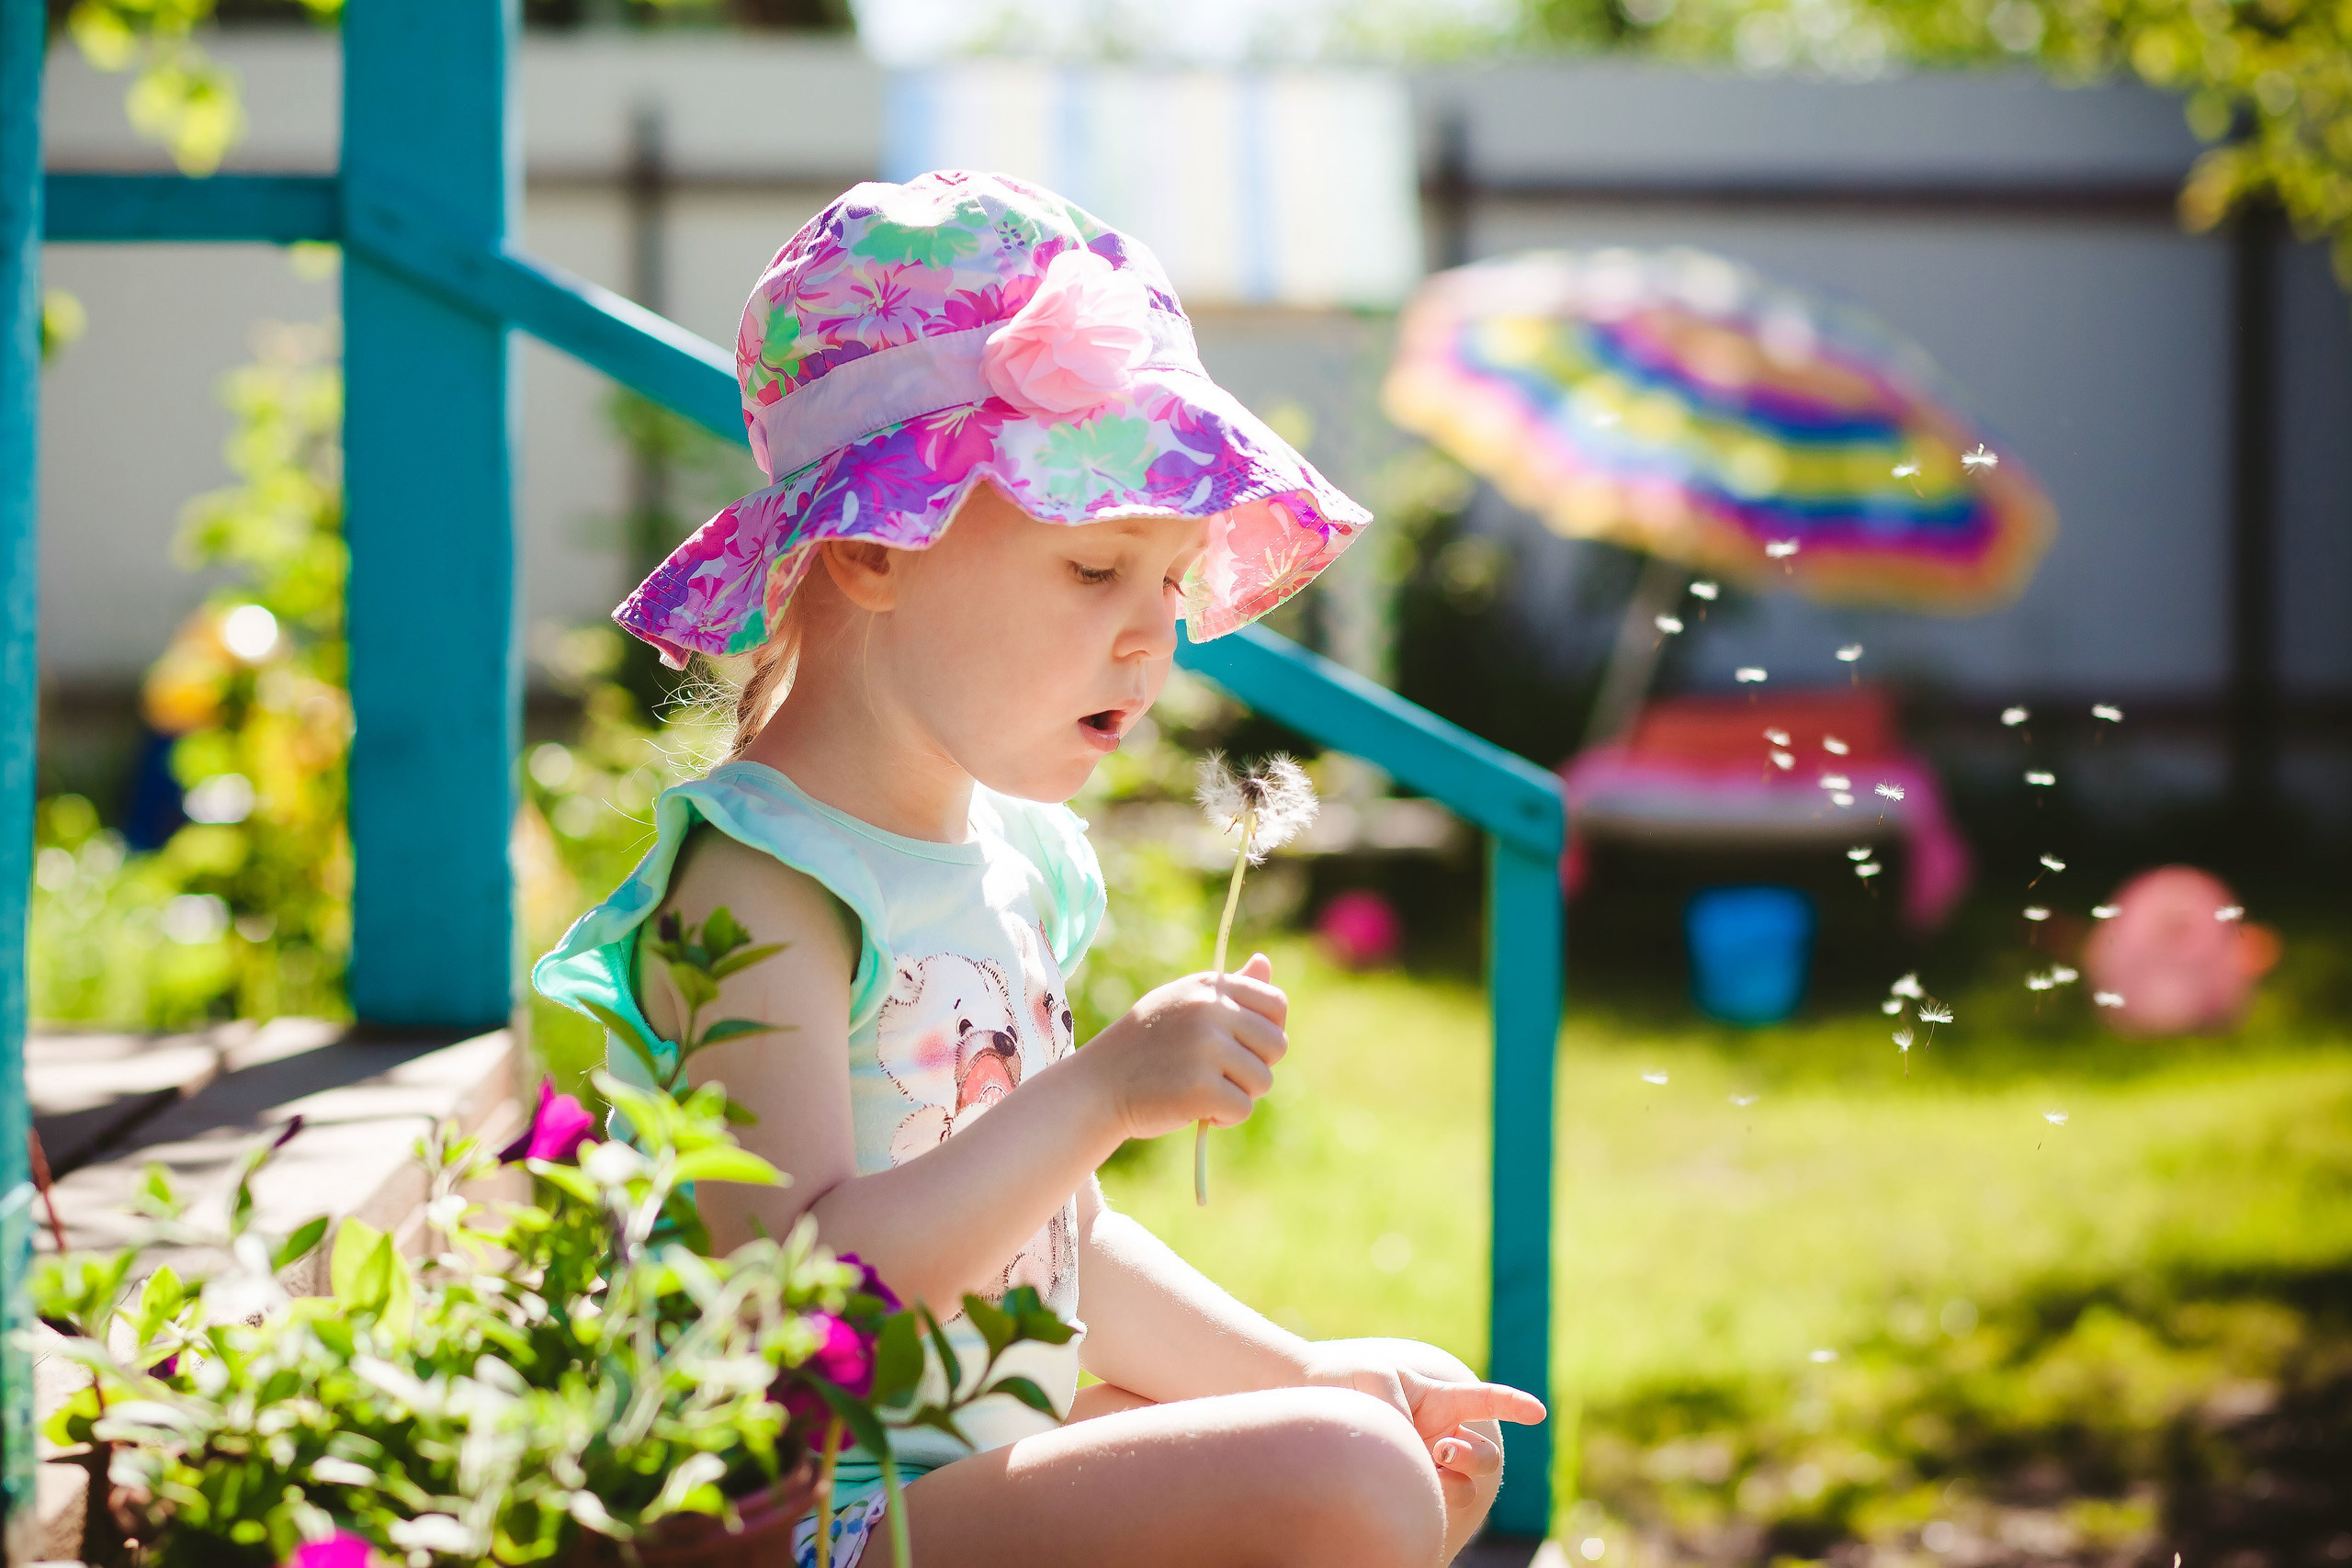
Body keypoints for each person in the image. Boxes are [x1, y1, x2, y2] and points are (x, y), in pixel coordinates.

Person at [535, 171, 1544, 1568]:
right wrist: (1100, 1092)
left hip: (954, 1482)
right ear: (878, 547)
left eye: (1171, 583)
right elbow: (787, 1305)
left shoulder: (1017, 859)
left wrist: (1300, 1369)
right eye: (1092, 574)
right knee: (1346, 1478)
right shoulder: (766, 886)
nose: (1156, 641)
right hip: (802, 1520)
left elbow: (1053, 1250)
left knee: (1389, 1436)